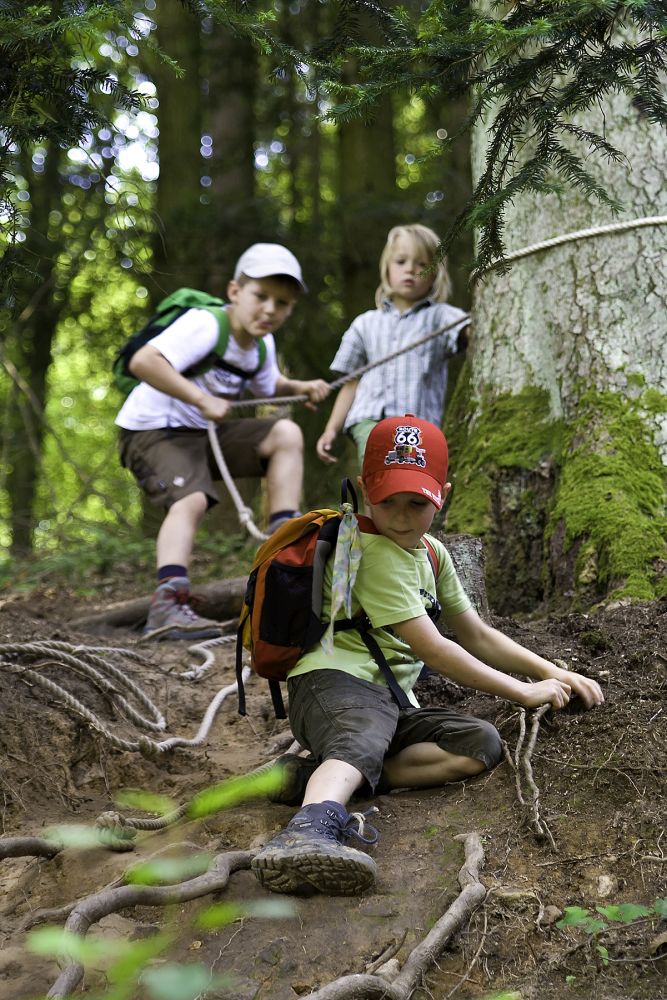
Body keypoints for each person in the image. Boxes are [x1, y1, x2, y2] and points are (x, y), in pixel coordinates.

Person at [252, 414, 604, 897]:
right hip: (332, 683)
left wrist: (550, 670)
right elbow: (435, 649)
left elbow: (476, 633)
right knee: (360, 733)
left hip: (389, 702)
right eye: (387, 499)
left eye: (416, 502)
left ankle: (311, 778)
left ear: (443, 494)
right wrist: (523, 692)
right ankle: (309, 828)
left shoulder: (432, 552)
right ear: (362, 488)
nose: (399, 514)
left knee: (477, 745)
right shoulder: (374, 553)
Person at [116, 243, 330, 639]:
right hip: (152, 430)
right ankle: (168, 605)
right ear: (235, 292)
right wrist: (200, 398)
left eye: (282, 304)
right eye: (260, 296)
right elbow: (143, 361)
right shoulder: (206, 324)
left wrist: (301, 387)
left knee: (285, 433)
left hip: (205, 434)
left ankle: (284, 554)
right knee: (191, 500)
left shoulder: (262, 344)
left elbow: (269, 387)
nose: (270, 310)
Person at [316, 223, 469, 467]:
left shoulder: (441, 317)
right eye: (401, 261)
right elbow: (350, 382)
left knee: (408, 481)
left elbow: (468, 331)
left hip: (419, 425)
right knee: (379, 470)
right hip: (369, 419)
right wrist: (331, 430)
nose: (410, 269)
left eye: (421, 264)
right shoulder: (365, 323)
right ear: (386, 268)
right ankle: (374, 503)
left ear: (435, 273)